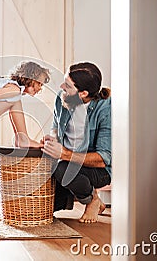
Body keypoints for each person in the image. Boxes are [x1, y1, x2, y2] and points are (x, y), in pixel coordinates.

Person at [41, 62, 111, 223]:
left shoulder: (105, 109)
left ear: (83, 93)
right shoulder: (62, 97)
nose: (61, 86)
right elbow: (55, 127)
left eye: (67, 85)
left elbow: (103, 159)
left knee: (62, 169)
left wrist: (64, 154)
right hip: (66, 163)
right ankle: (79, 196)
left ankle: (92, 199)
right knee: (46, 207)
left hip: (97, 170)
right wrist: (53, 139)